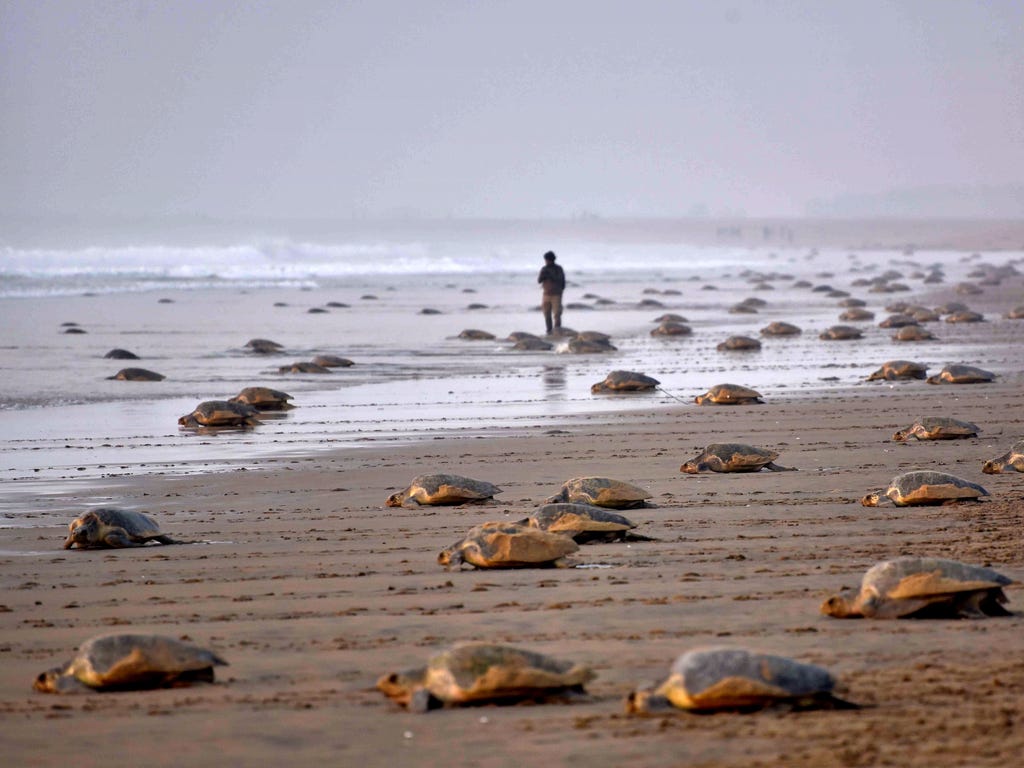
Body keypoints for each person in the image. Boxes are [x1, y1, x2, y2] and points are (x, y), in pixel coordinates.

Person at [537, 250, 565, 335]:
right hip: (546, 294)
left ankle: (557, 331)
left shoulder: (558, 269)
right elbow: (539, 281)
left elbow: (560, 280)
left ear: (551, 260)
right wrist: (543, 275)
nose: (546, 262)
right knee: (546, 314)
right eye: (545, 260)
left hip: (556, 294)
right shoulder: (544, 269)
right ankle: (549, 331)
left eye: (547, 260)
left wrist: (550, 275)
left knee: (557, 314)